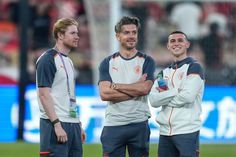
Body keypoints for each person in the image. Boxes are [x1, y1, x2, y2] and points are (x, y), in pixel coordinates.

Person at [98, 16, 155, 157]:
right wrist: (136, 87)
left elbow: (145, 89)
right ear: (118, 36)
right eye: (126, 32)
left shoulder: (147, 61)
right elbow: (104, 94)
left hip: (139, 124)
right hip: (113, 125)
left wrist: (115, 86)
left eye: (134, 32)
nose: (131, 36)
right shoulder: (107, 62)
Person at [149, 31, 205, 157]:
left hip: (187, 131)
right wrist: (176, 91)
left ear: (187, 44)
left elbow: (188, 97)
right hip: (164, 132)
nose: (176, 43)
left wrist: (165, 97)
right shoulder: (162, 74)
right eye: (172, 41)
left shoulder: (194, 68)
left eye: (180, 40)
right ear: (168, 46)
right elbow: (153, 100)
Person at [36, 18, 85, 157]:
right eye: (73, 33)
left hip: (72, 123)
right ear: (60, 35)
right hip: (55, 124)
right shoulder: (47, 59)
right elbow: (44, 95)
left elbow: (69, 96)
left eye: (77, 33)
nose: (77, 37)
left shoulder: (69, 61)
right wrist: (56, 124)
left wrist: (78, 124)